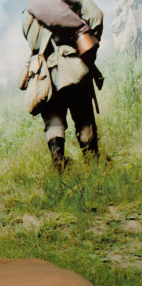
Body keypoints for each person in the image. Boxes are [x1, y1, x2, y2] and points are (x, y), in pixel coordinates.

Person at [22, 0, 104, 170]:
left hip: (43, 75)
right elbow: (96, 16)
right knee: (83, 118)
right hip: (72, 66)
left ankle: (59, 166)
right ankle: (93, 166)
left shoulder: (28, 11)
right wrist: (89, 47)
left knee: (53, 123)